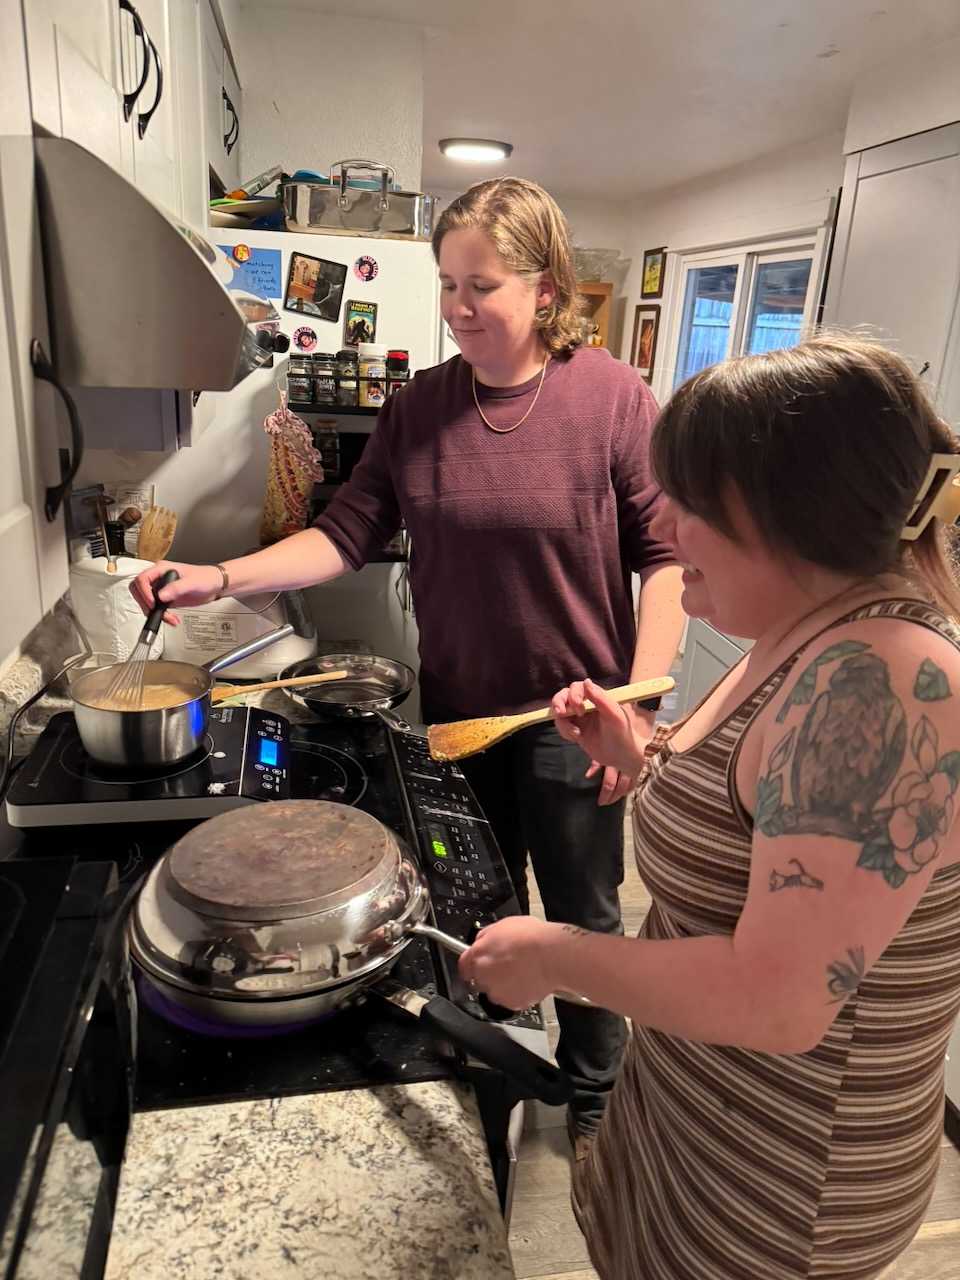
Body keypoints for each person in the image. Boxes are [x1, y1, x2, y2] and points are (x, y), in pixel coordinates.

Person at [129, 177, 686, 1148]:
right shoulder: (420, 405)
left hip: (575, 721)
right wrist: (214, 574)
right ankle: (494, 1070)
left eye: (484, 285)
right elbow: (345, 533)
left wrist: (635, 709)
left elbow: (667, 557)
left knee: (581, 915)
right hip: (459, 717)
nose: (460, 307)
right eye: (449, 284)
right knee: (475, 912)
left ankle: (598, 1094)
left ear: (546, 288)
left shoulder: (610, 398)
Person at [458, 333, 960, 1280]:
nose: (668, 529)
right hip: (705, 1097)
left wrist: (556, 956)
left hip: (783, 1170)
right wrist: (641, 755)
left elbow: (780, 1001)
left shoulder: (879, 683)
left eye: (690, 505)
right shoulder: (805, 631)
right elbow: (772, 833)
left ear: (784, 512)